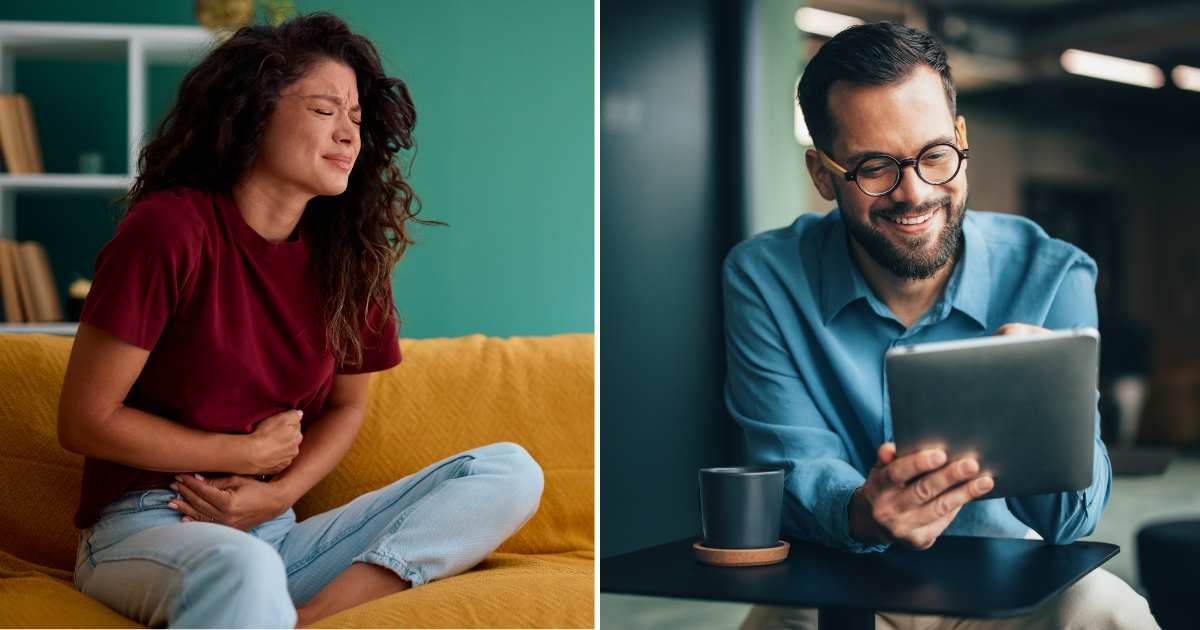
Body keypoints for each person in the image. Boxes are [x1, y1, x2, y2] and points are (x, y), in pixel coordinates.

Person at [58, 13, 543, 629]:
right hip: (150, 526)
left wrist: (278, 493)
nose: (348, 135)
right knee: (244, 569)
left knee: (508, 472)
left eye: (357, 118)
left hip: (275, 532)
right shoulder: (170, 231)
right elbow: (85, 419)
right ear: (252, 113)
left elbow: (347, 406)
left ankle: (307, 618)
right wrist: (243, 452)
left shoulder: (350, 258)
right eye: (324, 110)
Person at [724, 21, 1158, 630]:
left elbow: (1072, 522)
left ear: (961, 137)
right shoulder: (765, 277)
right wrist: (861, 511)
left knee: (1112, 611)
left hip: (1008, 580)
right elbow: (792, 463)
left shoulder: (1054, 274)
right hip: (836, 578)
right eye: (874, 167)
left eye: (934, 156)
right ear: (822, 175)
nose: (914, 193)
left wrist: (1046, 413)